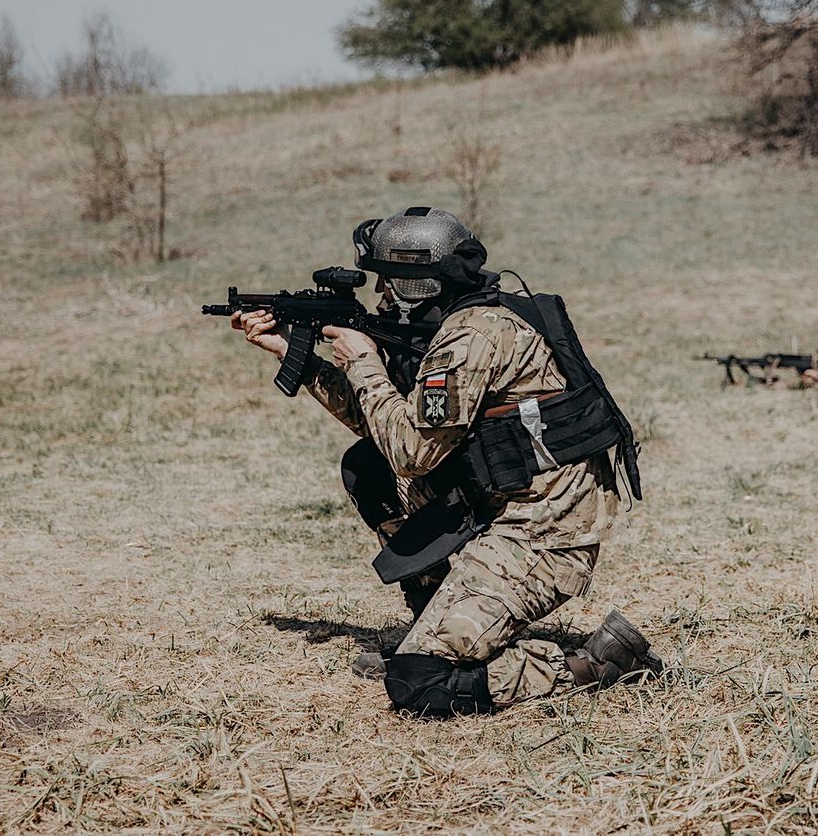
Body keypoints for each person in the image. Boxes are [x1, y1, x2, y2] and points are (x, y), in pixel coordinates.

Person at [231, 207, 661, 717]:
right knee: (368, 467)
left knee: (420, 682)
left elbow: (413, 452)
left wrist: (364, 360)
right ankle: (432, 623)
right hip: (501, 505)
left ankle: (595, 663)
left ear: (417, 284)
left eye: (388, 282)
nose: (381, 295)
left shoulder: (470, 337)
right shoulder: (456, 321)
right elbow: (386, 428)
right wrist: (288, 352)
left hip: (542, 535)